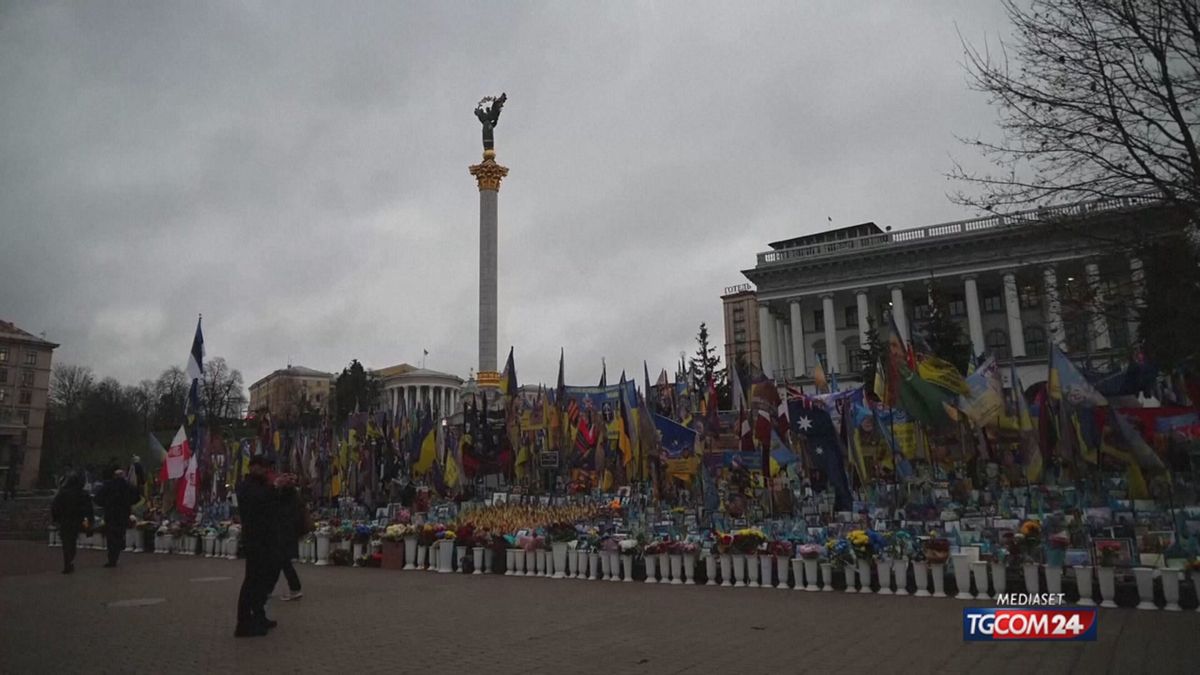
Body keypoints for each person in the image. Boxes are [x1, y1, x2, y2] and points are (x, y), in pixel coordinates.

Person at [234, 456, 287, 638]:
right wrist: (274, 487)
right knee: (252, 581)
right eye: (262, 467)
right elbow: (258, 501)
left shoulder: (262, 485)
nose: (265, 471)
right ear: (253, 468)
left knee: (265, 578)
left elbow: (271, 504)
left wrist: (281, 488)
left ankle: (258, 614)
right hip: (255, 540)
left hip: (267, 539)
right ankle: (243, 622)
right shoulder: (246, 487)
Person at [94, 467, 139, 568]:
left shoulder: (108, 486)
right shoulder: (128, 486)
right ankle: (117, 552)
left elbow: (97, 498)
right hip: (123, 514)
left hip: (110, 514)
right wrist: (128, 503)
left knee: (111, 536)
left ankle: (112, 558)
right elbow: (137, 497)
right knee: (119, 534)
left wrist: (106, 504)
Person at [50, 474, 92, 574]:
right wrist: (89, 520)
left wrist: (56, 518)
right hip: (77, 520)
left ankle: (67, 561)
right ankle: (70, 559)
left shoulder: (63, 493)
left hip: (64, 520)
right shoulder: (82, 494)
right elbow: (88, 508)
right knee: (72, 540)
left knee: (66, 541)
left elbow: (55, 506)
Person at [276, 483, 305, 601]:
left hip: (282, 533)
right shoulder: (295, 498)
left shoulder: (284, 500)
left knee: (282, 561)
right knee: (280, 561)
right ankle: (293, 587)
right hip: (289, 533)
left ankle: (295, 588)